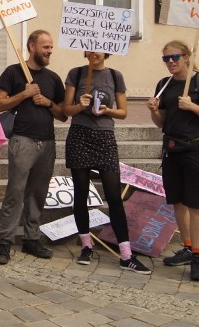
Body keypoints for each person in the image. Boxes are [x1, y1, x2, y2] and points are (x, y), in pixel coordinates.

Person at [62, 52, 150, 274]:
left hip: (104, 137)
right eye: (90, 49)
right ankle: (86, 245)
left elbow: (123, 112)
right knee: (81, 193)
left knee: (113, 195)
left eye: (99, 49)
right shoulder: (76, 73)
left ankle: (126, 254)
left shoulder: (114, 75)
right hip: (80, 135)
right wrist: (80, 106)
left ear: (106, 51)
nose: (94, 53)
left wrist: (109, 111)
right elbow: (66, 110)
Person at [147, 40, 199, 281]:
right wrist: (154, 111)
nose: (170, 62)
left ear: (187, 57)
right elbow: (162, 123)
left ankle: (198, 256)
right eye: (166, 59)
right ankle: (188, 247)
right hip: (172, 148)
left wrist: (192, 106)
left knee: (196, 205)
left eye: (174, 57)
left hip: (197, 149)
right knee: (177, 202)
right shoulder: (164, 84)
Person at [0, 30, 66, 265]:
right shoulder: (13, 72)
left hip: (47, 142)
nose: (50, 51)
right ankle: (5, 242)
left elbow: (63, 114)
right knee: (15, 192)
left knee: (37, 194)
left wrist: (48, 102)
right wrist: (24, 93)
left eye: (51, 47)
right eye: (46, 47)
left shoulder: (53, 78)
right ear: (32, 46)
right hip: (22, 141)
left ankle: (31, 239)